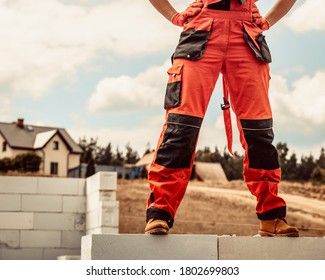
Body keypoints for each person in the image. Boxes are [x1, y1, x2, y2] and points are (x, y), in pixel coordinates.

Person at [145, 0, 299, 237]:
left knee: (259, 131)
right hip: (200, 30)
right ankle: (160, 212)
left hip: (247, 34)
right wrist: (175, 16)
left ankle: (272, 217)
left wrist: (268, 20)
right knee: (181, 125)